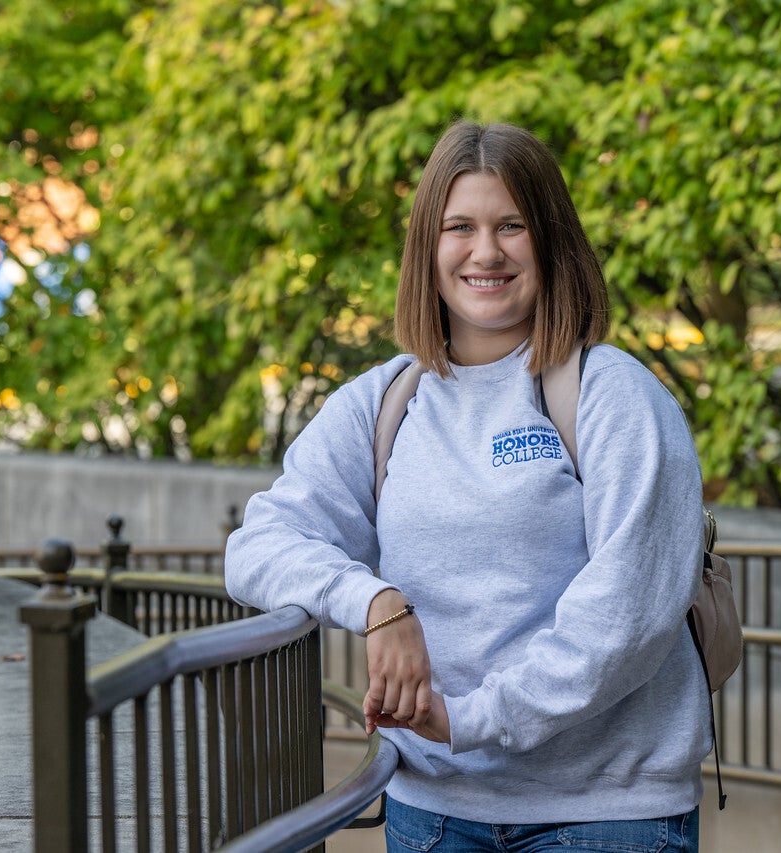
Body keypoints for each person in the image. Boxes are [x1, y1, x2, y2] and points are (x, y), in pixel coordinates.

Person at [225, 121, 712, 852]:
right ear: (429, 246)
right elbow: (257, 546)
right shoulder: (384, 401)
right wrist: (379, 604)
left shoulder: (614, 395)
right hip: (435, 811)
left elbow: (626, 618)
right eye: (461, 226)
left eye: (512, 225)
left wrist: (474, 719)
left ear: (551, 242)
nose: (486, 251)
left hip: (606, 813)